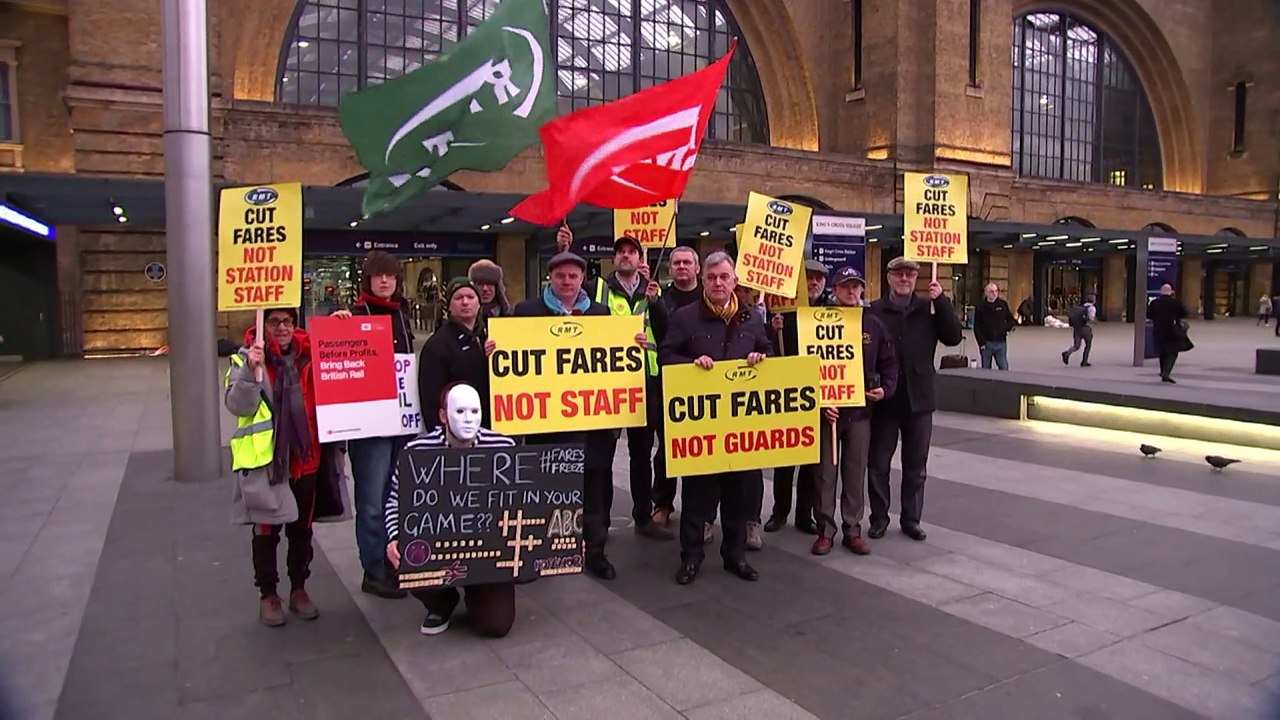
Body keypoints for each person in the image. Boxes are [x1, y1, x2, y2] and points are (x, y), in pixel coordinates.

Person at [504, 250, 649, 580]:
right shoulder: (527, 311)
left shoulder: (600, 313)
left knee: (595, 488)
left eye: (573, 276)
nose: (567, 281)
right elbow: (512, 357)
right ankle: (547, 550)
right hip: (546, 423)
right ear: (550, 278)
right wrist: (495, 349)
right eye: (560, 276)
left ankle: (595, 550)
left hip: (592, 423)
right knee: (548, 488)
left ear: (582, 279)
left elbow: (615, 360)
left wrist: (634, 344)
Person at [660, 251, 772, 585]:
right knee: (697, 496)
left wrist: (761, 357)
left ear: (734, 281)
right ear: (703, 280)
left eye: (724, 277)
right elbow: (666, 355)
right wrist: (690, 366)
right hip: (701, 425)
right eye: (711, 278)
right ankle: (691, 558)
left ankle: (734, 556)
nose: (718, 283)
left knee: (738, 496)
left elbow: (769, 351)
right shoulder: (684, 317)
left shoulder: (752, 318)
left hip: (739, 424)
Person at [557, 225, 673, 542]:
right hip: (606, 385)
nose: (625, 255)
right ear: (614, 259)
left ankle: (643, 517)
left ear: (640, 259)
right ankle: (601, 523)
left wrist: (657, 302)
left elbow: (667, 332)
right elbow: (567, 296)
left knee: (641, 455)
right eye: (620, 251)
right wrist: (564, 250)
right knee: (603, 456)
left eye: (631, 252)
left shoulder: (652, 290)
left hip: (644, 382)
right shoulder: (598, 288)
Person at [385, 382, 518, 637]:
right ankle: (441, 601)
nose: (468, 419)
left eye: (475, 411)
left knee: (496, 624)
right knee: (405, 554)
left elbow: (527, 500)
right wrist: (394, 537)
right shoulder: (416, 451)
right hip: (437, 546)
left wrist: (561, 538)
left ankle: (478, 593)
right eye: (459, 411)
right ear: (443, 416)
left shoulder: (503, 446)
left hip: (488, 552)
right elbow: (395, 499)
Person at [224, 307, 322, 627]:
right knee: (266, 531)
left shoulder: (310, 355)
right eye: (275, 321)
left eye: (288, 321)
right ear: (263, 325)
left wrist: (342, 326)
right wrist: (250, 371)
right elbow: (238, 406)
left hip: (306, 459)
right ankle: (268, 594)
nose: (282, 327)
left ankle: (299, 588)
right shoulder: (244, 358)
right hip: (268, 462)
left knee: (302, 530)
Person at [333, 250, 415, 600]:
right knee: (371, 500)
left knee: (397, 495)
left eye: (390, 275)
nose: (384, 281)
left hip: (402, 421)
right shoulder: (354, 315)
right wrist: (336, 326)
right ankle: (374, 568)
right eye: (378, 275)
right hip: (370, 427)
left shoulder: (402, 314)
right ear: (368, 280)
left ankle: (394, 559)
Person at [867, 257, 964, 541]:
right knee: (878, 465)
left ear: (916, 279)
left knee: (916, 467)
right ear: (889, 277)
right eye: (899, 274)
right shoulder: (874, 310)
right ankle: (879, 518)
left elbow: (954, 337)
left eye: (909, 274)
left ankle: (911, 519)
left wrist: (942, 301)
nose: (904, 279)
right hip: (885, 399)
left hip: (919, 399)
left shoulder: (929, 308)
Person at [812, 268, 898, 556]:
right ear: (835, 289)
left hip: (860, 412)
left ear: (862, 290)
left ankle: (852, 528)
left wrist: (885, 389)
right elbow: (806, 364)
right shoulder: (817, 320)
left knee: (854, 472)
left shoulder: (872, 323)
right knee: (825, 474)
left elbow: (889, 363)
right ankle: (825, 530)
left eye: (856, 287)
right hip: (828, 413)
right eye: (845, 287)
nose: (851, 292)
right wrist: (819, 402)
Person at [763, 259, 830, 535]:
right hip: (789, 393)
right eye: (809, 278)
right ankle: (780, 511)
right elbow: (767, 350)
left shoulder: (831, 310)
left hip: (820, 394)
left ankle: (804, 514)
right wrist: (773, 329)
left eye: (818, 279)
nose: (813, 283)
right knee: (785, 459)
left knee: (812, 463)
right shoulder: (784, 311)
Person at [651, 246, 702, 530]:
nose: (682, 267)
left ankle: (702, 512)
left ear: (697, 268)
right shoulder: (661, 298)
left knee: (702, 449)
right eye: (677, 263)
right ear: (670, 268)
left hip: (705, 382)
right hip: (669, 380)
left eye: (687, 262)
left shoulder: (709, 296)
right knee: (667, 448)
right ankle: (662, 503)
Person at [419, 278, 494, 429]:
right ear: (449, 306)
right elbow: (430, 399)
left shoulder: (489, 337)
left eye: (470, 297)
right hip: (457, 430)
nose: (465, 302)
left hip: (490, 427)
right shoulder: (437, 345)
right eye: (459, 298)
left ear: (479, 304)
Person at [1147, 284, 1190, 384]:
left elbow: (1149, 315)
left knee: (1162, 352)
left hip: (1158, 330)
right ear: (1171, 292)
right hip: (1172, 330)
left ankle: (1163, 371)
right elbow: (1184, 313)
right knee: (1173, 352)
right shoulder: (1175, 302)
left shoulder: (1155, 303)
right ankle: (1166, 373)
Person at [974, 283, 1017, 370]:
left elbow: (1011, 319)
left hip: (1001, 342)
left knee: (1004, 367)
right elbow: (977, 326)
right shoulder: (981, 306)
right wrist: (981, 343)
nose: (994, 293)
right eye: (991, 291)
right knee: (986, 369)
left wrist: (1006, 328)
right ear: (986, 293)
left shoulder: (1002, 304)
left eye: (996, 291)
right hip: (986, 343)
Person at [468, 259, 512, 323]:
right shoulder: (463, 319)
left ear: (497, 287)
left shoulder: (510, 318)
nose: (485, 289)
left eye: (489, 284)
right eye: (480, 284)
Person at [1062, 294, 1097, 368]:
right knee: (1088, 345)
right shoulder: (1091, 308)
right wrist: (1095, 322)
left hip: (1077, 328)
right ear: (1093, 300)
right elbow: (1091, 318)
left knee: (1076, 345)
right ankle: (1084, 361)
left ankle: (1067, 353)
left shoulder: (1081, 307)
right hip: (1086, 328)